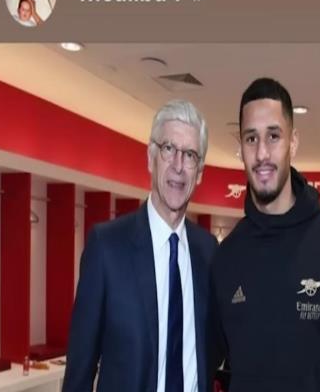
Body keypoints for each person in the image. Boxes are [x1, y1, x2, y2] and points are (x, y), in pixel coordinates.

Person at [212, 78, 320, 391]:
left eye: (273, 136)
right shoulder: (227, 256)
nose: (262, 153)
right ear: (241, 148)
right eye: (251, 138)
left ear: (293, 142)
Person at [63, 100, 219, 392]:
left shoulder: (208, 253)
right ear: (151, 158)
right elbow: (79, 373)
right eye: (168, 148)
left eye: (189, 155)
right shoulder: (106, 247)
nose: (178, 166)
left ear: (199, 173)